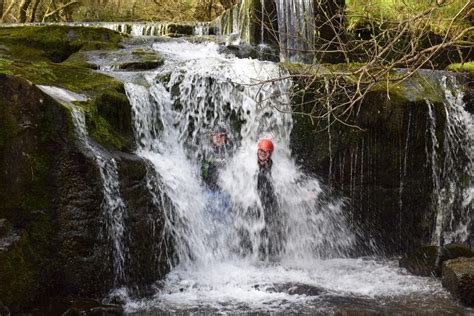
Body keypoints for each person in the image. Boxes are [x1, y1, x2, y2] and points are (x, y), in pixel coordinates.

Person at [256, 138, 283, 260]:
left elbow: (284, 182)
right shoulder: (252, 165)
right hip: (257, 201)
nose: (262, 154)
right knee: (258, 228)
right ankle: (258, 254)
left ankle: (272, 255)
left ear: (269, 154)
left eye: (265, 152)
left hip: (270, 202)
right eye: (261, 151)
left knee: (271, 228)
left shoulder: (274, 167)